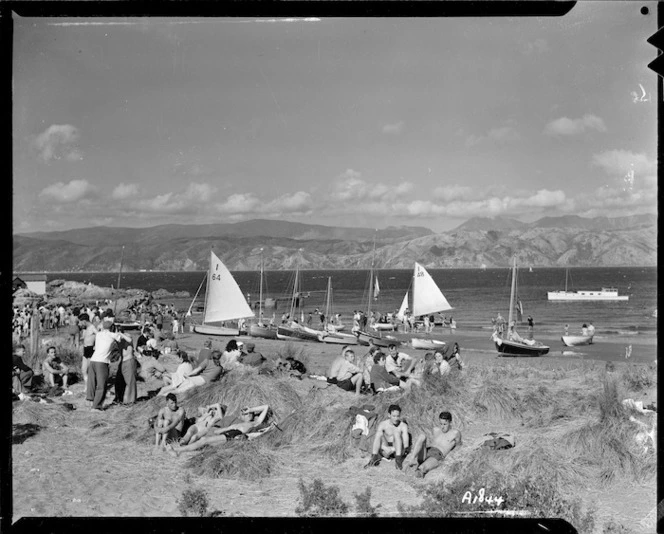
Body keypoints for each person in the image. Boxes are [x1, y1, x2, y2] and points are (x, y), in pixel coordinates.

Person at [169, 404, 270, 455]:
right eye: (244, 413)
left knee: (204, 441)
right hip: (230, 433)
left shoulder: (254, 423)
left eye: (248, 414)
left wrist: (251, 409)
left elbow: (266, 407)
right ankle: (181, 450)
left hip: (234, 435)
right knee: (203, 441)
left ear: (252, 415)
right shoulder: (240, 422)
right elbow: (226, 428)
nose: (246, 415)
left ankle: (178, 450)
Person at [86, 319, 133, 412]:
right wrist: (118, 333)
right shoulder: (113, 335)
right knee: (101, 385)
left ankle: (90, 400)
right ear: (112, 327)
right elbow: (129, 340)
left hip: (93, 360)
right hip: (102, 362)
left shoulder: (99, 334)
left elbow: (97, 330)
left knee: (91, 382)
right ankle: (96, 407)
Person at [405, 411, 462, 478]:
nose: (442, 427)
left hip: (437, 455)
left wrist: (450, 456)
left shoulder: (455, 433)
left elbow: (458, 446)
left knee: (421, 468)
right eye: (441, 424)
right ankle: (412, 459)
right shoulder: (436, 430)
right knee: (422, 436)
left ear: (450, 423)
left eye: (445, 424)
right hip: (428, 450)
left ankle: (418, 474)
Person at [364, 404, 410, 470]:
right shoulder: (383, 424)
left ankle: (398, 461)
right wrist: (385, 448)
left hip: (397, 450)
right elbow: (376, 440)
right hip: (386, 450)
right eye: (394, 416)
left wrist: (394, 449)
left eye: (398, 416)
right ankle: (373, 459)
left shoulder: (403, 426)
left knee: (396, 433)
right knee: (379, 434)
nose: (396, 418)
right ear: (389, 415)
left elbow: (405, 442)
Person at [114, 335, 137, 405]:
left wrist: (121, 334)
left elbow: (130, 339)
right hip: (124, 362)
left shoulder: (128, 339)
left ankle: (130, 400)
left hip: (128, 361)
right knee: (126, 382)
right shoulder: (119, 341)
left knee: (130, 382)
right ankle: (126, 400)